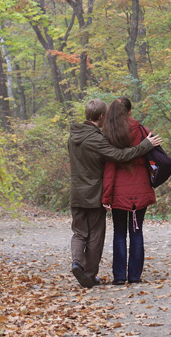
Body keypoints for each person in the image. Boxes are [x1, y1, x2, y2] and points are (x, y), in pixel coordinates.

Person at [68, 98, 161, 288]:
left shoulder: (78, 137)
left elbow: (104, 167)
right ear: (102, 116)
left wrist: (108, 194)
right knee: (104, 234)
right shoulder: (103, 138)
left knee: (84, 233)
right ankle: (101, 274)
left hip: (87, 192)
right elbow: (118, 157)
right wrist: (145, 145)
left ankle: (85, 265)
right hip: (111, 192)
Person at [101, 97, 156, 285]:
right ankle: (134, 276)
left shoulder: (109, 135)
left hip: (118, 190)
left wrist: (106, 195)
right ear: (130, 112)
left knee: (119, 232)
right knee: (136, 230)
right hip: (141, 187)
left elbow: (109, 169)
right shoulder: (143, 132)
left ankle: (119, 276)